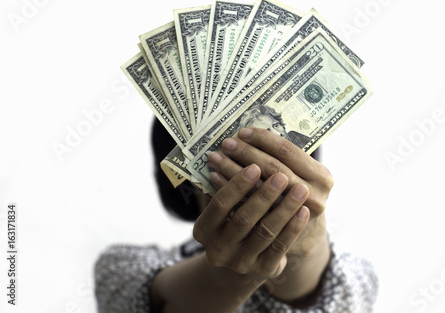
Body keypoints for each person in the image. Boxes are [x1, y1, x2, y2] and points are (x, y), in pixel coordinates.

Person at [94, 118, 378, 312]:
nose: (248, 170)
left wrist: (303, 244)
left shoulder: (356, 274)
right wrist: (231, 274)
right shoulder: (120, 268)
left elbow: (346, 299)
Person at [239, 103, 310, 149]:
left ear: (281, 123)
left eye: (276, 125)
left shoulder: (295, 136)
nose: (279, 134)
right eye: (267, 134)